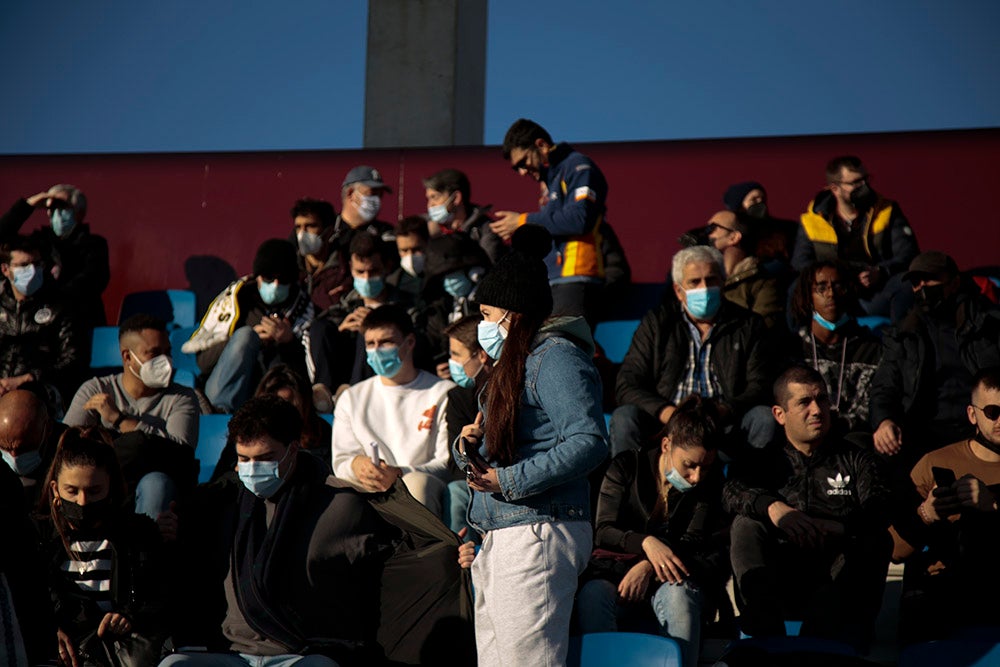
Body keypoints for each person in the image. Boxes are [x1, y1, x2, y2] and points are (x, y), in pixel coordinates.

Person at [454, 225, 608, 666]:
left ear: (513, 313)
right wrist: (466, 446)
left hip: (537, 531)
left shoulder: (554, 356)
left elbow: (589, 440)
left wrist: (508, 479)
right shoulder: (509, 368)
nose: (482, 326)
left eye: (486, 313)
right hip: (501, 533)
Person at [160, 395, 399, 667]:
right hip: (229, 651)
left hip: (304, 653)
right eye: (244, 459)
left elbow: (394, 559)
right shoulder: (217, 503)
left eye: (265, 458)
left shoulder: (342, 506)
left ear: (293, 449)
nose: (252, 468)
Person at [723, 366, 891, 650]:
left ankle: (836, 639)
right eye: (804, 402)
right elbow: (730, 492)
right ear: (779, 414)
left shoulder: (856, 458)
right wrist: (775, 508)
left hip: (837, 584)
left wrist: (841, 527)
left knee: (876, 538)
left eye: (822, 399)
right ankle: (765, 637)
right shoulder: (761, 461)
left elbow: (881, 505)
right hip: (779, 581)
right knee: (745, 524)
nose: (817, 410)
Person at [576, 396, 730, 667]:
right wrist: (646, 543)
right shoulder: (627, 466)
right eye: (689, 465)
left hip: (675, 573)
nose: (696, 477)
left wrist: (648, 565)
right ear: (666, 445)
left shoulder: (711, 480)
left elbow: (693, 541)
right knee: (593, 596)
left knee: (680, 596)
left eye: (703, 467)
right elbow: (603, 529)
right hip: (614, 572)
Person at [611, 245, 773, 457]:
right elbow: (627, 383)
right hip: (666, 425)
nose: (704, 288)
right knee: (625, 417)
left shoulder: (749, 325)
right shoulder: (657, 323)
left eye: (711, 280)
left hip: (724, 426)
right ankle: (626, 487)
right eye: (694, 282)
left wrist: (723, 411)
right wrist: (667, 412)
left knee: (763, 417)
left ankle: (750, 489)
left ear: (723, 283)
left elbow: (760, 384)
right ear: (679, 291)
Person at [42, 428, 170, 667]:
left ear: (110, 487)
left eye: (94, 491)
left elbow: (158, 595)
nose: (82, 501)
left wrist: (129, 616)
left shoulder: (138, 533)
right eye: (72, 490)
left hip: (115, 651)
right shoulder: (38, 536)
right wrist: (48, 627)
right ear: (55, 489)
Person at [892, 367, 1000, 642]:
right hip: (944, 595)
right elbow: (893, 549)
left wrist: (994, 506)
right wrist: (926, 514)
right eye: (993, 412)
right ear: (972, 414)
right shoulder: (934, 463)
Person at [870, 251, 1000, 471]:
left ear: (954, 282)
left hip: (980, 427)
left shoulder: (987, 325)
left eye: (929, 279)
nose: (922, 287)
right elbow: (884, 386)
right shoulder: (904, 333)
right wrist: (884, 421)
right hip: (922, 432)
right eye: (915, 282)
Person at [331, 305, 453, 516]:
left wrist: (400, 473)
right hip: (368, 488)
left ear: (410, 342)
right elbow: (341, 460)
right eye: (370, 343)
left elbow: (447, 464)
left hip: (418, 486)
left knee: (417, 484)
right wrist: (357, 465)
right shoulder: (351, 398)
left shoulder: (444, 393)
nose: (377, 350)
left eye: (386, 342)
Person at [494, 119, 608, 326]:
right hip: (552, 280)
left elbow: (579, 220)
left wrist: (522, 222)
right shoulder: (550, 179)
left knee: (565, 347)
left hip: (576, 276)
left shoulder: (578, 166)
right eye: (515, 168)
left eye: (523, 162)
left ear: (541, 145)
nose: (521, 172)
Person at [183, 239, 314, 413]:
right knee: (245, 335)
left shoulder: (304, 308)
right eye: (269, 278)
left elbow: (309, 374)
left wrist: (288, 342)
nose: (275, 285)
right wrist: (244, 342)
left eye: (282, 280)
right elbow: (203, 363)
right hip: (227, 393)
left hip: (273, 397)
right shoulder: (237, 303)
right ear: (257, 277)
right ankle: (219, 413)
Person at [793, 156, 920, 319]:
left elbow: (908, 254)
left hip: (876, 290)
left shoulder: (887, 211)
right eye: (855, 182)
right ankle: (807, 340)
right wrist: (838, 278)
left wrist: (880, 272)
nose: (864, 186)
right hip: (834, 292)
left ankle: (899, 341)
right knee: (793, 289)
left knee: (906, 284)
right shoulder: (813, 220)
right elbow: (800, 263)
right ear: (835, 188)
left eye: (866, 179)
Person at [65, 314, 199, 448]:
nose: (166, 361)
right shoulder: (96, 390)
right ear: (128, 357)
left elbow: (180, 454)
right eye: (155, 353)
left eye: (168, 352)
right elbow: (66, 445)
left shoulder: (182, 397)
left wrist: (120, 420)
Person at [309, 233, 418, 396]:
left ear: (386, 267)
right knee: (320, 328)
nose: (366, 278)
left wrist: (369, 328)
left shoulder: (407, 305)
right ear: (350, 268)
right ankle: (322, 394)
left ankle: (356, 395)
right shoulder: (344, 304)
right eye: (360, 272)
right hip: (343, 373)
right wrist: (341, 331)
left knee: (368, 333)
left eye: (373, 271)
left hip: (383, 375)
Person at [788, 261, 882, 433]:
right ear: (808, 296)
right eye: (821, 288)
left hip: (853, 441)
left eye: (838, 286)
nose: (831, 294)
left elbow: (871, 409)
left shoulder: (871, 349)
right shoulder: (792, 348)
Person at [0, 184, 111, 329]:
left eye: (64, 208)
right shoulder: (38, 243)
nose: (57, 214)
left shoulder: (94, 245)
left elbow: (92, 279)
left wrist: (53, 298)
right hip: (39, 323)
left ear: (80, 213)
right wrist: (28, 205)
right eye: (52, 209)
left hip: (80, 321)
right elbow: (3, 238)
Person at [0, 235, 85, 405]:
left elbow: (73, 360)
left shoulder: (61, 306)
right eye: (24, 265)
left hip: (42, 389)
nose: (32, 271)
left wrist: (30, 377)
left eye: (37, 264)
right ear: (5, 270)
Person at [211, 364, 333, 481]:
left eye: (287, 405)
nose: (280, 413)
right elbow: (220, 479)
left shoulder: (320, 431)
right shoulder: (244, 431)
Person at [440, 314, 491, 537]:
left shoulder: (512, 390)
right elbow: (454, 466)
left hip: (509, 479)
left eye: (456, 354)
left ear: (481, 355)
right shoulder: (458, 397)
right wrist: (466, 446)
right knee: (457, 492)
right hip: (474, 483)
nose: (451, 362)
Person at [418, 232, 490, 371]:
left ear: (474, 271)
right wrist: (437, 368)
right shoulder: (440, 308)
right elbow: (432, 347)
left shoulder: (493, 303)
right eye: (443, 276)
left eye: (453, 273)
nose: (448, 281)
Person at [706, 210, 783, 329]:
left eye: (712, 228)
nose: (707, 234)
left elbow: (763, 328)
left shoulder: (762, 282)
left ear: (734, 237)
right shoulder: (705, 280)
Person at [423, 167, 505, 264]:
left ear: (456, 198)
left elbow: (489, 267)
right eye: (428, 199)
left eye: (435, 197)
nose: (430, 205)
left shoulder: (485, 230)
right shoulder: (424, 228)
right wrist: (425, 237)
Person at [0, 389, 62, 509]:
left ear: (48, 429)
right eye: (4, 448)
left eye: (24, 448)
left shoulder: (68, 452)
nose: (14, 457)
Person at [385, 215, 429, 302]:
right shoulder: (391, 284)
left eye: (416, 249)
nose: (410, 256)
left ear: (427, 243)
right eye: (404, 250)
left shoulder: (443, 278)